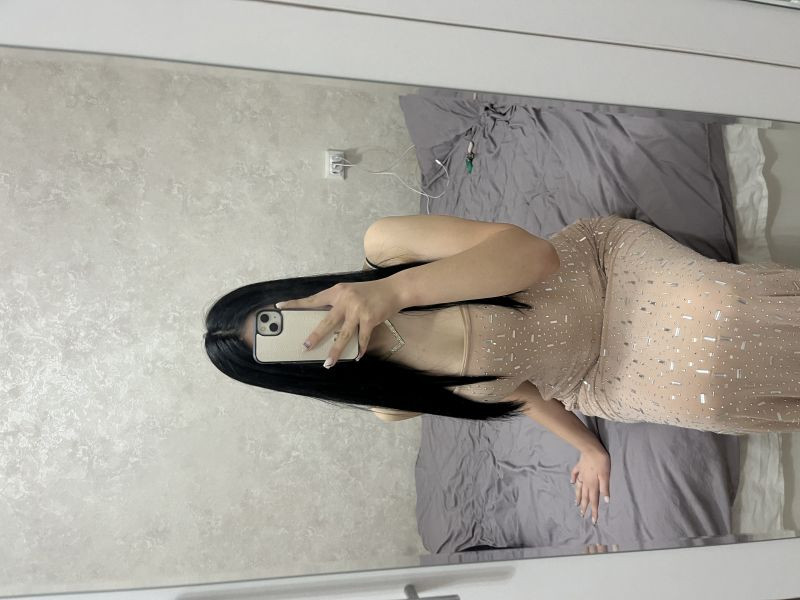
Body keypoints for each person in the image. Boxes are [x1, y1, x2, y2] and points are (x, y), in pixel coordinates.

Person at [205, 213, 800, 525]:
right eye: (284, 348)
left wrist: (393, 292)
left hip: (603, 274)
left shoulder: (386, 246)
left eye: (282, 318)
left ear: (293, 295)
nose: (307, 334)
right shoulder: (390, 398)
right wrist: (588, 448)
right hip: (598, 373)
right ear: (289, 374)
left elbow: (536, 256)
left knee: (717, 314)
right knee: (708, 393)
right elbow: (521, 393)